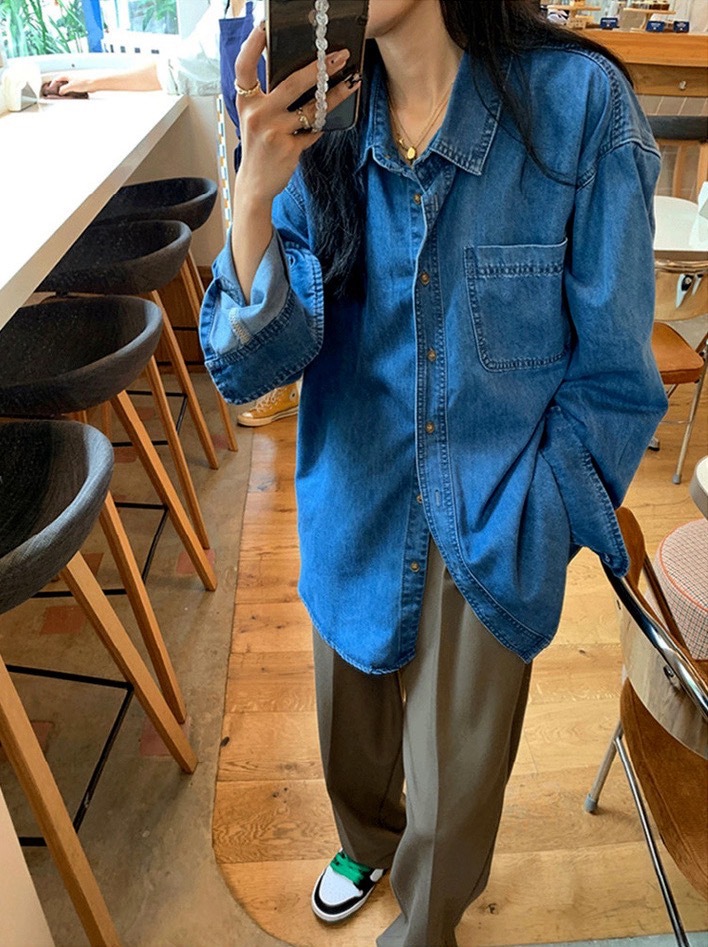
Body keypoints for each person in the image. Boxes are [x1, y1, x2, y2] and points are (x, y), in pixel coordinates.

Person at [199, 1, 668, 944]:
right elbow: (254, 368)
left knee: (455, 798)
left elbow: (617, 382)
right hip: (354, 494)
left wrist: (542, 521)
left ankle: (424, 923)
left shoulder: (579, 107)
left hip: (497, 513)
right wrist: (252, 193)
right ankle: (366, 842)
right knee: (350, 739)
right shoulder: (320, 118)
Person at [54, 0, 297, 427]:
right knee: (273, 279)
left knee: (300, 280)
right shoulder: (227, 8)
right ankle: (286, 382)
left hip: (303, 163)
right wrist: (91, 79)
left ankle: (299, 384)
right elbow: (175, 70)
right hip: (259, 167)